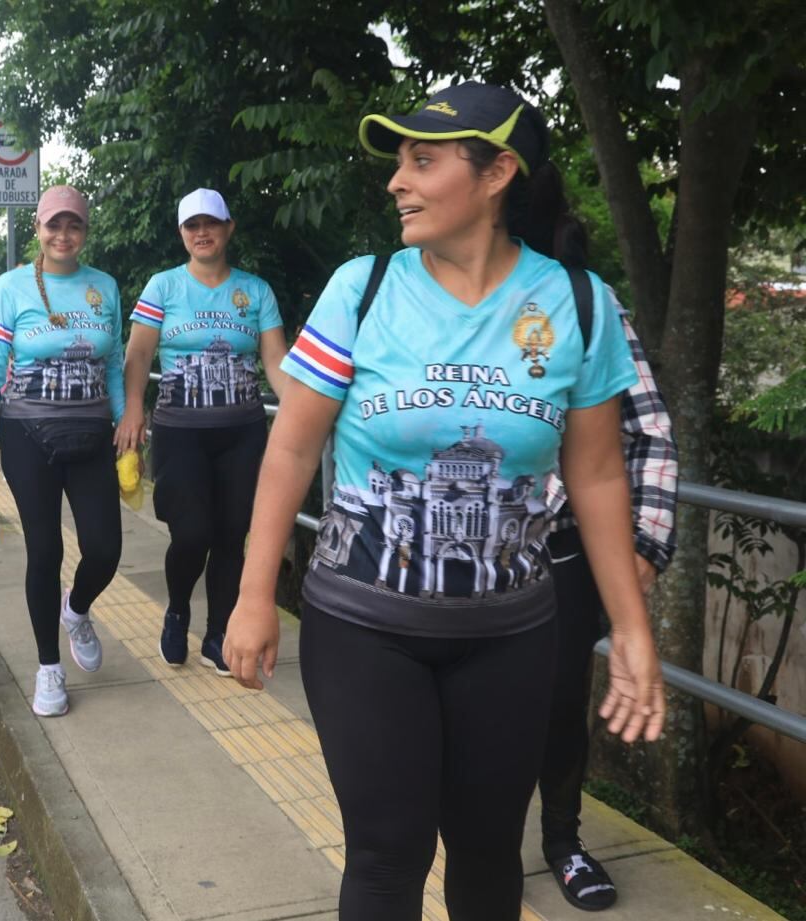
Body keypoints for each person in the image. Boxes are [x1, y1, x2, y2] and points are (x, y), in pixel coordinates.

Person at [223, 83, 666, 920]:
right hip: (363, 624)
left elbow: (600, 475)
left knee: (490, 853)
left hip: (511, 636)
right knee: (389, 855)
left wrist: (632, 631)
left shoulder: (577, 303)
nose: (398, 181)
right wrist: (253, 597)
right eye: (399, 161)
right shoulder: (363, 288)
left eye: (423, 160)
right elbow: (292, 443)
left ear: (497, 172)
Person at [0, 184, 125, 718]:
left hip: (94, 434)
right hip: (28, 435)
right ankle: (49, 668)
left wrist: (125, 422)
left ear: (85, 231)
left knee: (105, 548)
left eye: (73, 225)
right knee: (45, 550)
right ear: (38, 229)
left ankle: (75, 610)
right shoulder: (11, 287)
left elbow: (114, 361)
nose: (63, 235)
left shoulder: (104, 286)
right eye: (54, 225)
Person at [539, 300, 678, 910]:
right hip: (451, 555)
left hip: (558, 550)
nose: (395, 194)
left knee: (562, 704)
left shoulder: (583, 303)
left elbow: (647, 427)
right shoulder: (406, 291)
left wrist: (643, 543)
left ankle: (562, 840)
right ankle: (466, 833)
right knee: (460, 708)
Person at [115, 188, 288, 675]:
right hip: (180, 429)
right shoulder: (163, 287)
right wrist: (132, 409)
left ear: (229, 228)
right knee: (191, 534)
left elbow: (275, 362)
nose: (202, 232)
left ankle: (218, 635)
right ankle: (176, 610)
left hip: (243, 430)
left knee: (232, 536)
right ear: (182, 234)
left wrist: (299, 410)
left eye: (211, 223)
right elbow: (140, 356)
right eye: (192, 225)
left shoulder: (255, 291)